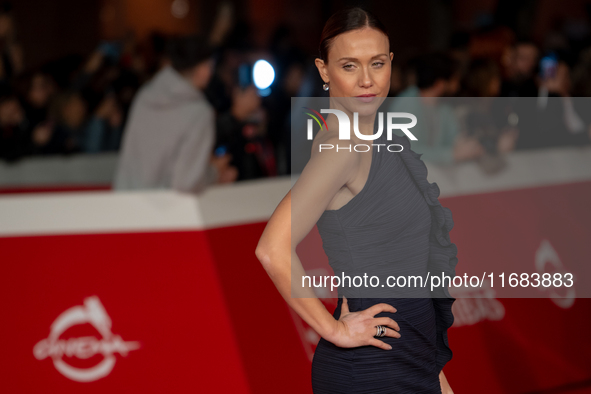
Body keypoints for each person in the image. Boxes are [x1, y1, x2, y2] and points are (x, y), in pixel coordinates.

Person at [255, 7, 457, 393]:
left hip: (412, 358)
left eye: (377, 63)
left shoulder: (379, 137)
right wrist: (334, 330)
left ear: (391, 63)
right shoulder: (342, 147)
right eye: (349, 66)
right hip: (370, 369)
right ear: (324, 70)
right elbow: (272, 249)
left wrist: (438, 378)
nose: (367, 80)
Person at [113, 35, 237, 193]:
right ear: (202, 69)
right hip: (164, 212)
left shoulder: (145, 95)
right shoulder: (199, 113)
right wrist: (214, 173)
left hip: (123, 202)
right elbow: (187, 182)